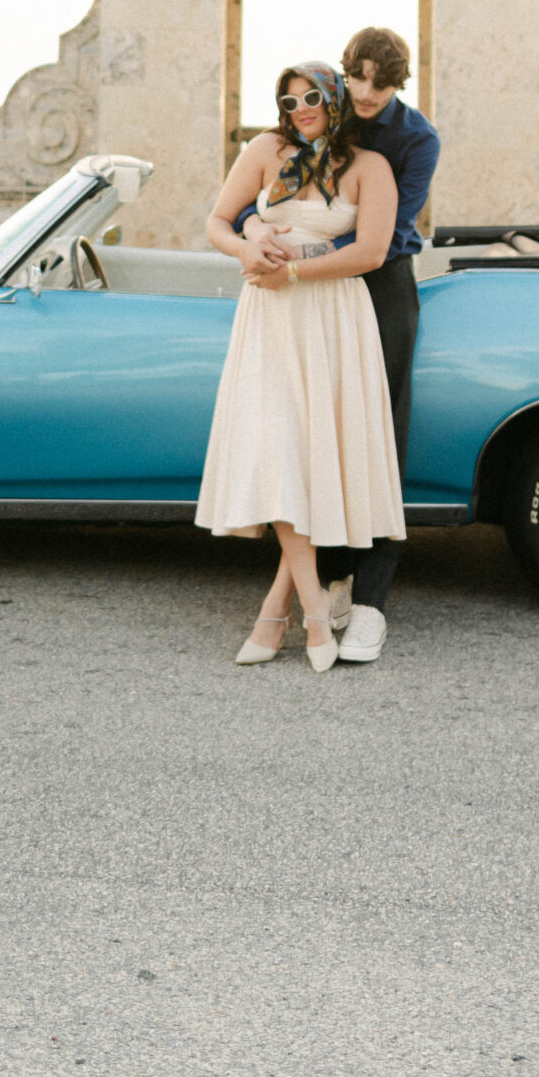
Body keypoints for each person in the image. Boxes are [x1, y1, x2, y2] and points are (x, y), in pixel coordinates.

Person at [235, 25, 438, 665]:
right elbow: (250, 200)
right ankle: (331, 580)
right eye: (359, 79)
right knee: (313, 435)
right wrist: (255, 227)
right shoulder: (317, 114)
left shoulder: (416, 140)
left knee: (377, 435)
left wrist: (297, 255)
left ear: (400, 83)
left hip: (379, 286)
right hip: (301, 289)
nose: (368, 92)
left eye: (383, 83)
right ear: (344, 76)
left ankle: (370, 601)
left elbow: (382, 237)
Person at [195, 64, 403, 673]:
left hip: (334, 316)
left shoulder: (370, 167)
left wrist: (291, 271)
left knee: (315, 458)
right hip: (270, 317)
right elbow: (217, 221)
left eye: (311, 96)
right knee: (280, 449)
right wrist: (248, 242)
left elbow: (371, 252)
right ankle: (314, 609)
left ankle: (275, 611)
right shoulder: (266, 151)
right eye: (289, 100)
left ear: (333, 98)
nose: (301, 107)